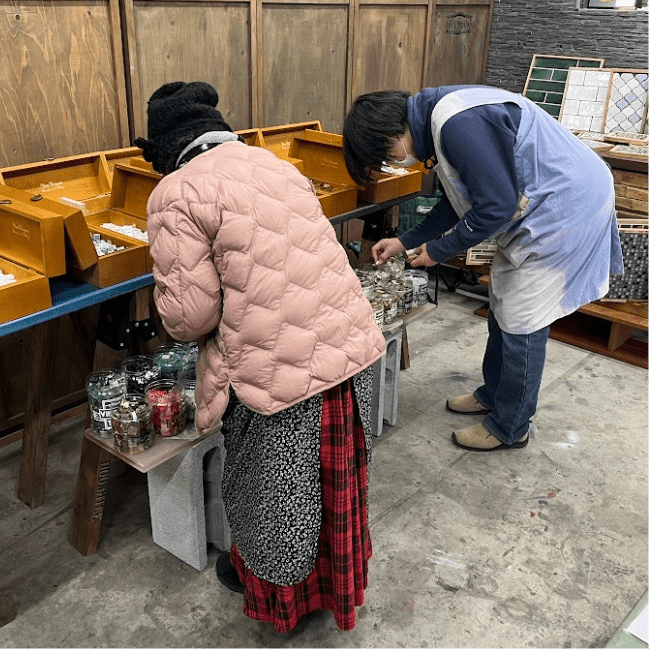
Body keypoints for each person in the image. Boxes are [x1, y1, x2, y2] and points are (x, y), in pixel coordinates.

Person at [135, 81, 385, 632]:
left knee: (273, 500)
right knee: (334, 489)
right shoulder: (272, 163)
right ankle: (334, 589)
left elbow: (190, 317)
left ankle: (279, 603)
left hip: (279, 376)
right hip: (346, 347)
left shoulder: (176, 193)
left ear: (167, 151)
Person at [343, 86, 623, 452]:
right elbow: (456, 200)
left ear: (394, 136)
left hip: (567, 206)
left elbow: (495, 207)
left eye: (387, 156)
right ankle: (494, 393)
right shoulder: (435, 123)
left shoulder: (455, 124)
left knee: (524, 319)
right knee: (503, 302)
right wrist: (404, 241)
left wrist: (438, 251)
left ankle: (511, 426)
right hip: (541, 205)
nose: (394, 162)